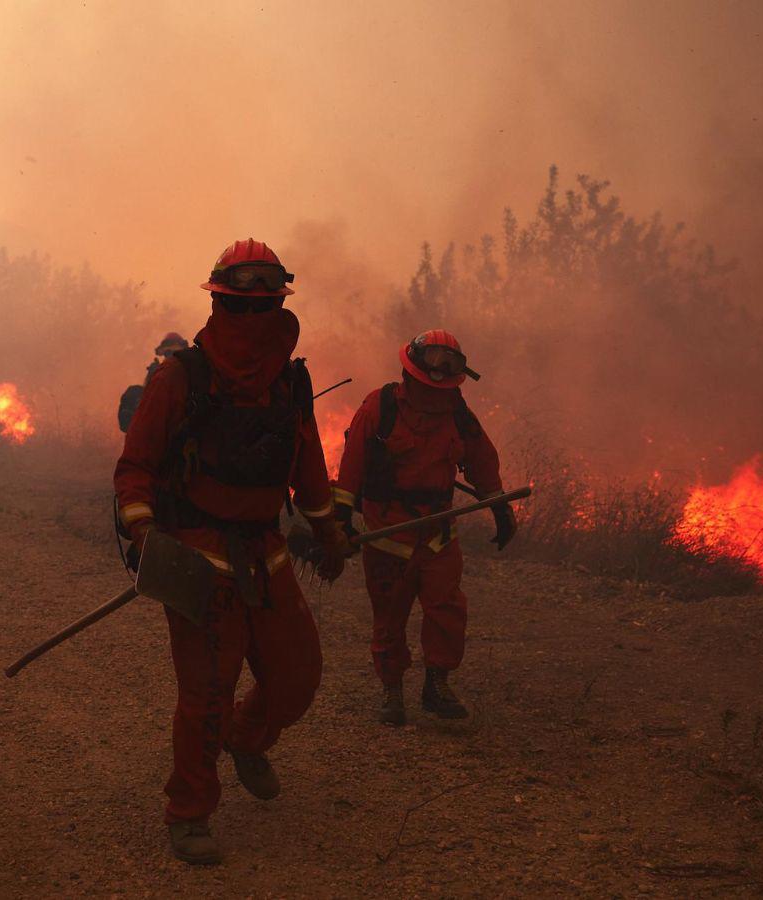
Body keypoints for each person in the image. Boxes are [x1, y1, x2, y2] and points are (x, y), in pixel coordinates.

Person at [114, 238, 351, 864]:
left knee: (297, 678)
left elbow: (309, 468)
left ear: (279, 307)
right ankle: (189, 814)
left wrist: (328, 532)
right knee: (208, 693)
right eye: (237, 308)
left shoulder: (290, 382)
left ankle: (249, 741)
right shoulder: (180, 379)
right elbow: (134, 468)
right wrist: (146, 537)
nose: (250, 322)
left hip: (265, 549)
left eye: (262, 308)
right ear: (216, 303)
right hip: (197, 554)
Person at [332, 329, 517, 726]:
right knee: (389, 617)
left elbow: (482, 459)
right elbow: (352, 467)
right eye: (431, 367)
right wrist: (341, 517)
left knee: (447, 611)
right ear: (411, 368)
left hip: (437, 535)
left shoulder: (458, 415)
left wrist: (498, 506)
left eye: (447, 371)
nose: (437, 381)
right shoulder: (378, 408)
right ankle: (392, 690)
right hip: (387, 537)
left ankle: (437, 684)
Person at [117, 332, 189, 432]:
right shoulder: (156, 380)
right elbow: (127, 424)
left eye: (175, 353)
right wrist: (152, 380)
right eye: (168, 353)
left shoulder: (193, 379)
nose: (171, 358)